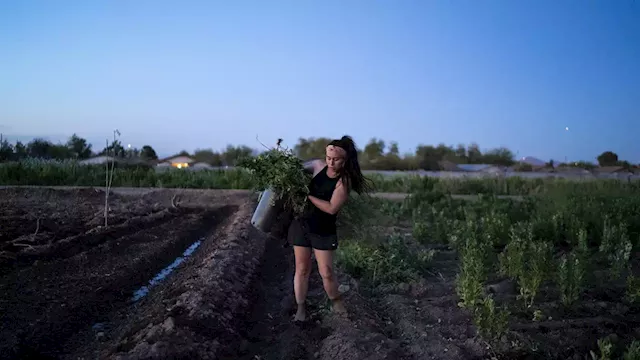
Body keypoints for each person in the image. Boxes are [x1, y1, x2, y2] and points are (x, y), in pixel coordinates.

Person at [289, 135, 373, 322]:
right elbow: (296, 169)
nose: (331, 162)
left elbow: (331, 208)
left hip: (323, 229)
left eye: (336, 159)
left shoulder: (344, 182)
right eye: (328, 158)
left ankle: (336, 302)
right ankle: (301, 308)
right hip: (301, 224)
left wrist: (307, 196)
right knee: (302, 269)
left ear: (345, 160)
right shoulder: (318, 166)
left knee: (326, 271)